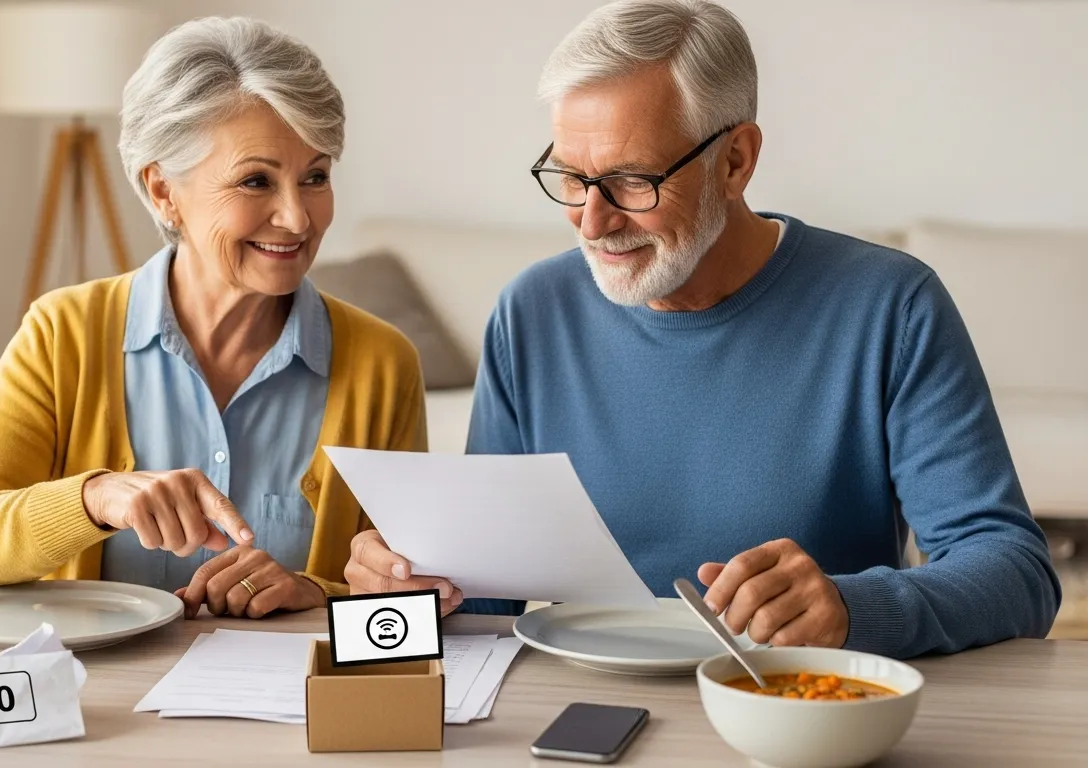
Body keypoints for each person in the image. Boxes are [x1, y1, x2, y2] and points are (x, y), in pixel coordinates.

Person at [344, 0, 1060, 658]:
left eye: (632, 181)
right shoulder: (531, 313)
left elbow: (1015, 570)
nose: (593, 223)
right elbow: (491, 588)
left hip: (791, 705)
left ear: (736, 161)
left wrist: (852, 607)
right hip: (579, 708)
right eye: (570, 176)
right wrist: (414, 587)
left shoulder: (892, 307)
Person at [0, 17, 426, 619]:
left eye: (315, 177)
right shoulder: (63, 335)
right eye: (256, 180)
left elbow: (405, 612)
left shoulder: (384, 365)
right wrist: (95, 497)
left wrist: (318, 593)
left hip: (299, 710)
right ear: (162, 191)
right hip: (96, 706)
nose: (298, 218)